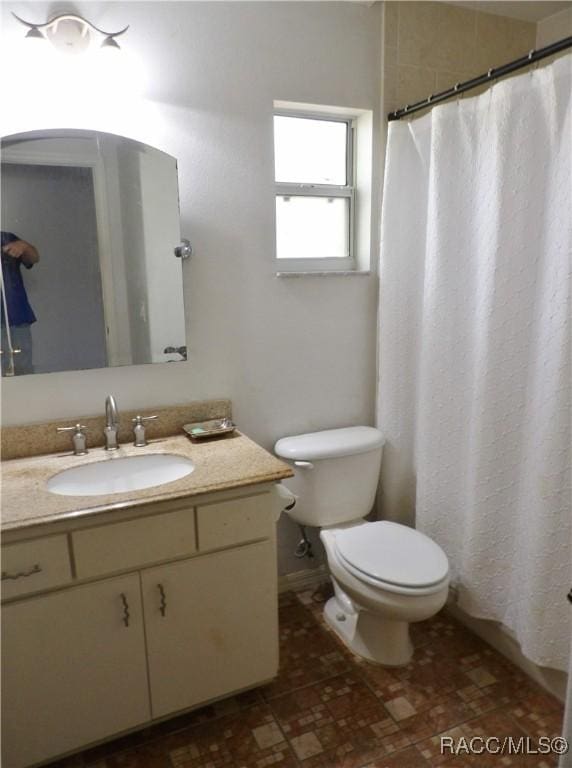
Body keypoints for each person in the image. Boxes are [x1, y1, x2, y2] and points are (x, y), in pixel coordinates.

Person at [1, 231, 39, 375]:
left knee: (23, 370)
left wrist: (23, 246)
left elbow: (34, 257)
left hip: (16, 315)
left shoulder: (5, 238)